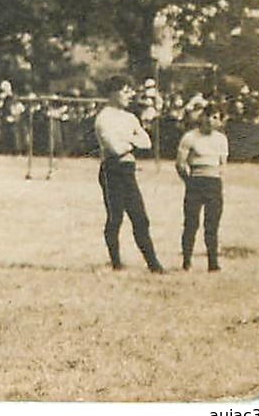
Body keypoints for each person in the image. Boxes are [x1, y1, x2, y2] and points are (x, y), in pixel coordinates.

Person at [93, 76, 166, 273]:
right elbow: (115, 149)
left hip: (128, 170)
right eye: (125, 91)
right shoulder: (104, 118)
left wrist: (126, 140)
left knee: (140, 217)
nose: (129, 95)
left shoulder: (129, 117)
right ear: (113, 92)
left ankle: (153, 264)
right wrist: (132, 139)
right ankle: (116, 262)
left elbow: (147, 142)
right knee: (115, 217)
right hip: (112, 170)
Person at [176, 105, 229, 272]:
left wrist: (216, 178)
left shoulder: (221, 139)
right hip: (195, 182)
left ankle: (213, 263)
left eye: (214, 117)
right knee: (191, 224)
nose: (209, 120)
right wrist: (189, 181)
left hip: (213, 184)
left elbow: (222, 165)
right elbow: (180, 163)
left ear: (220, 121)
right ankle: (186, 261)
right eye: (207, 116)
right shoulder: (190, 137)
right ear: (201, 117)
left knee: (212, 225)